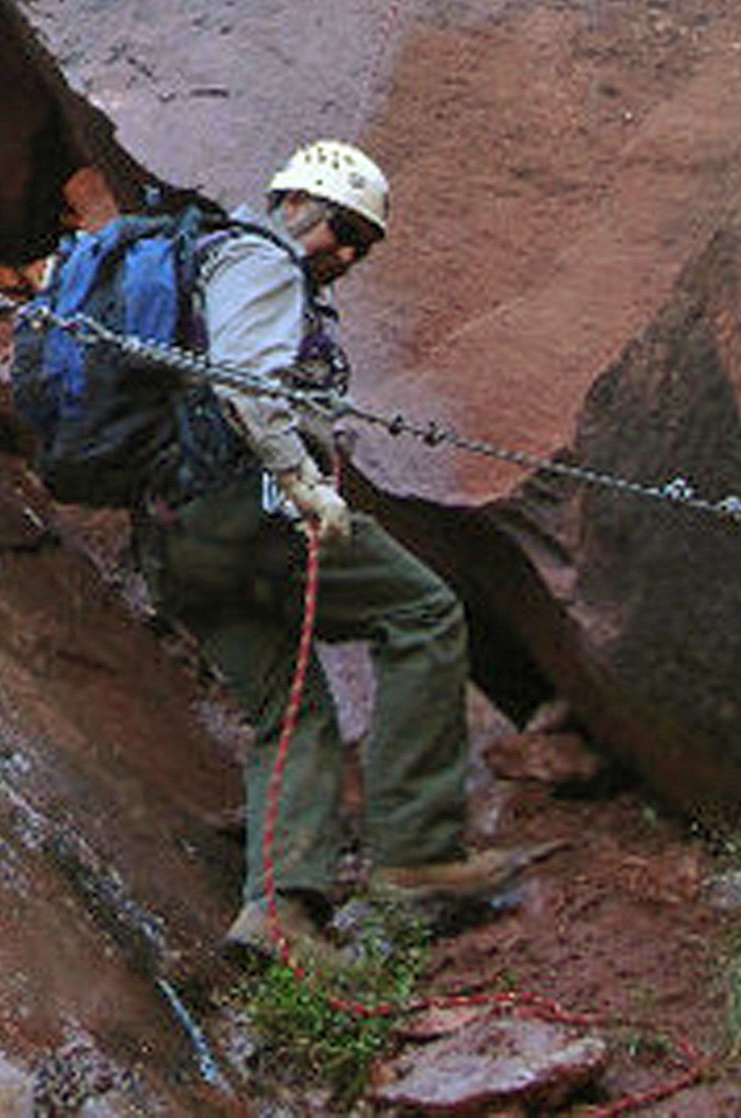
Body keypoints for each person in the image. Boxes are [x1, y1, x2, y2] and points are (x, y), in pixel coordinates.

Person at [134, 137, 525, 962]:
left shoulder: (204, 265)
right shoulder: (261, 260)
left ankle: (279, 918)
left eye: (361, 246)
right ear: (292, 202)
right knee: (423, 612)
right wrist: (305, 484)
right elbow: (245, 387)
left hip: (173, 538)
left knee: (292, 710)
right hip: (247, 510)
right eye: (341, 230)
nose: (345, 255)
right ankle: (417, 850)